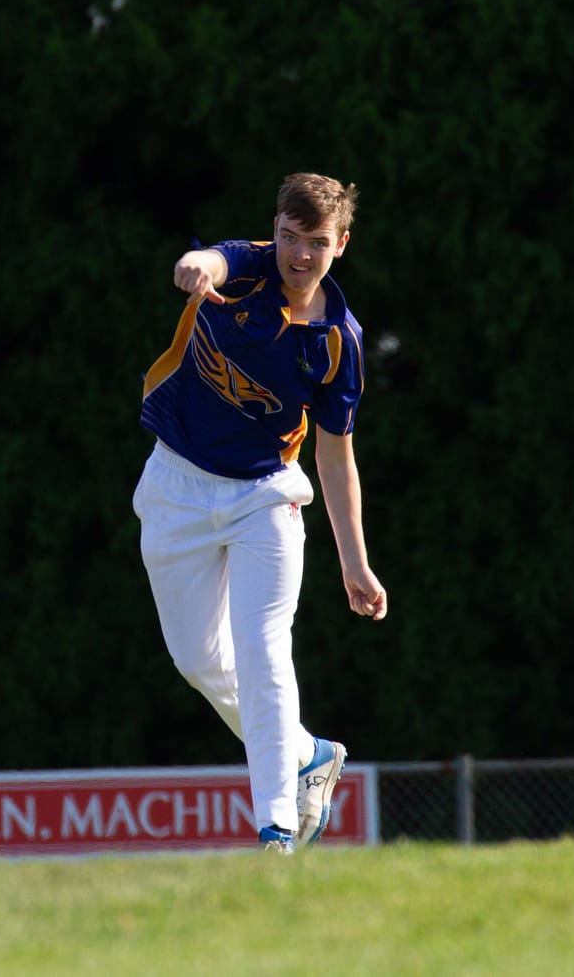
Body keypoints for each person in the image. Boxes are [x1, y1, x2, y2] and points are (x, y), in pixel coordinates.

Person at [135, 172, 388, 853]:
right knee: (197, 659)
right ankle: (305, 752)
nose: (299, 255)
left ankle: (276, 826)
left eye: (315, 242)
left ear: (341, 243)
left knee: (263, 648)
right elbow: (214, 258)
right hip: (176, 482)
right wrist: (195, 266)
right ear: (273, 229)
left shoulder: (340, 340)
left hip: (265, 498)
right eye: (288, 237)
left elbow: (336, 459)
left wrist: (355, 563)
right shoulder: (245, 267)